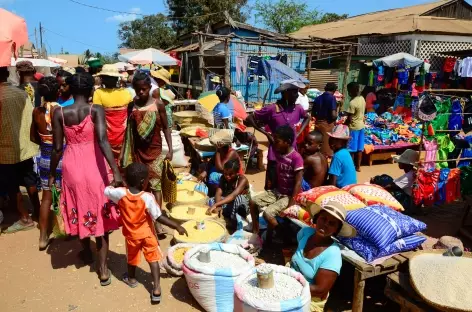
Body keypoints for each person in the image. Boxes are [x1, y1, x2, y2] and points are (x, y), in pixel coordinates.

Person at [49, 73, 123, 285]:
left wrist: (52, 174)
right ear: (91, 90)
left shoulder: (59, 112)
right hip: (94, 167)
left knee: (79, 206)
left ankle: (86, 251)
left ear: (70, 89)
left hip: (72, 166)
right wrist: (115, 172)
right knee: (100, 213)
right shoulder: (95, 110)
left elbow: (56, 148)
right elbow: (102, 140)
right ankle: (103, 269)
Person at [104, 163, 187, 303]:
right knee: (153, 260)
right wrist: (176, 226)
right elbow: (158, 217)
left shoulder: (120, 193)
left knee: (131, 258)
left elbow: (107, 191)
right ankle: (156, 289)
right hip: (147, 234)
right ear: (143, 182)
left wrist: (114, 182)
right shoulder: (147, 197)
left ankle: (131, 279)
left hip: (131, 235)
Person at [121, 72, 173, 236]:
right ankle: (143, 216)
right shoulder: (132, 106)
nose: (141, 93)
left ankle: (157, 221)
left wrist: (170, 149)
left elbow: (166, 127)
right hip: (138, 152)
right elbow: (128, 131)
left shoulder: (159, 105)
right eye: (138, 90)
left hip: (155, 152)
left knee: (156, 186)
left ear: (150, 88)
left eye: (143, 89)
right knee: (141, 186)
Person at [290, 201, 356, 312]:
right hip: (291, 283)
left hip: (310, 299)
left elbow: (320, 290)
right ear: (316, 218)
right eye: (323, 219)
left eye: (331, 223)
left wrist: (290, 286)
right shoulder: (305, 233)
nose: (325, 224)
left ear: (336, 229)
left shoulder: (332, 254)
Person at [246, 79, 309, 190]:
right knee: (272, 185)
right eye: (294, 93)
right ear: (285, 94)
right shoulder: (272, 109)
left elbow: (307, 117)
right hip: (275, 155)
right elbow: (249, 118)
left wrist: (298, 133)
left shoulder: (298, 108)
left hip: (292, 155)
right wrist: (266, 134)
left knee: (290, 186)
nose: (296, 96)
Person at [0, 67, 40, 233]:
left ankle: (24, 217)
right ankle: (38, 211)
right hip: (25, 145)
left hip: (6, 148)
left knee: (12, 184)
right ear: (8, 75)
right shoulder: (21, 93)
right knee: (29, 178)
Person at [249, 125, 304, 243]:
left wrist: (291, 204)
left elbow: (298, 182)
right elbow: (277, 172)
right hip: (278, 191)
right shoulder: (278, 153)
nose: (275, 143)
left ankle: (285, 236)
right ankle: (255, 231)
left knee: (268, 214)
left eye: (277, 141)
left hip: (289, 195)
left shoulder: (296, 158)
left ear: (287, 142)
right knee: (253, 202)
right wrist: (271, 184)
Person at [30, 77, 63, 249]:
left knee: (46, 198)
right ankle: (65, 230)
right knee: (64, 195)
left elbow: (32, 137)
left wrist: (45, 143)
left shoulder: (36, 111)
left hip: (44, 157)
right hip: (62, 157)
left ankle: (43, 237)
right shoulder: (62, 111)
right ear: (58, 92)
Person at [93, 64, 132, 161]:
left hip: (106, 137)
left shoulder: (98, 93)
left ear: (102, 79)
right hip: (124, 137)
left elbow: (96, 116)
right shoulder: (126, 92)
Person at [206, 159, 250, 227]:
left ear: (237, 173)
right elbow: (218, 192)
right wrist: (218, 206)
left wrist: (216, 204)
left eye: (230, 174)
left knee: (239, 198)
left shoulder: (242, 179)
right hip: (229, 202)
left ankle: (234, 221)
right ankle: (224, 213)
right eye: (225, 174)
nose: (227, 176)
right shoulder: (223, 178)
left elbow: (234, 195)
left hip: (241, 205)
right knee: (210, 200)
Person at [344, 82, 366, 172]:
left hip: (354, 127)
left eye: (349, 91)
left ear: (352, 90)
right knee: (359, 149)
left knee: (351, 149)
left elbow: (349, 118)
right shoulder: (362, 98)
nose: (348, 93)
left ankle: (351, 167)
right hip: (361, 126)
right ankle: (358, 167)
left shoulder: (352, 102)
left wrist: (343, 125)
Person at [312, 83, 338, 157]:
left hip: (318, 124)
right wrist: (336, 117)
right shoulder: (332, 98)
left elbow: (313, 113)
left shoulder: (317, 98)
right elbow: (333, 115)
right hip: (327, 125)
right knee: (326, 148)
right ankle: (325, 166)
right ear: (334, 90)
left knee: (318, 144)